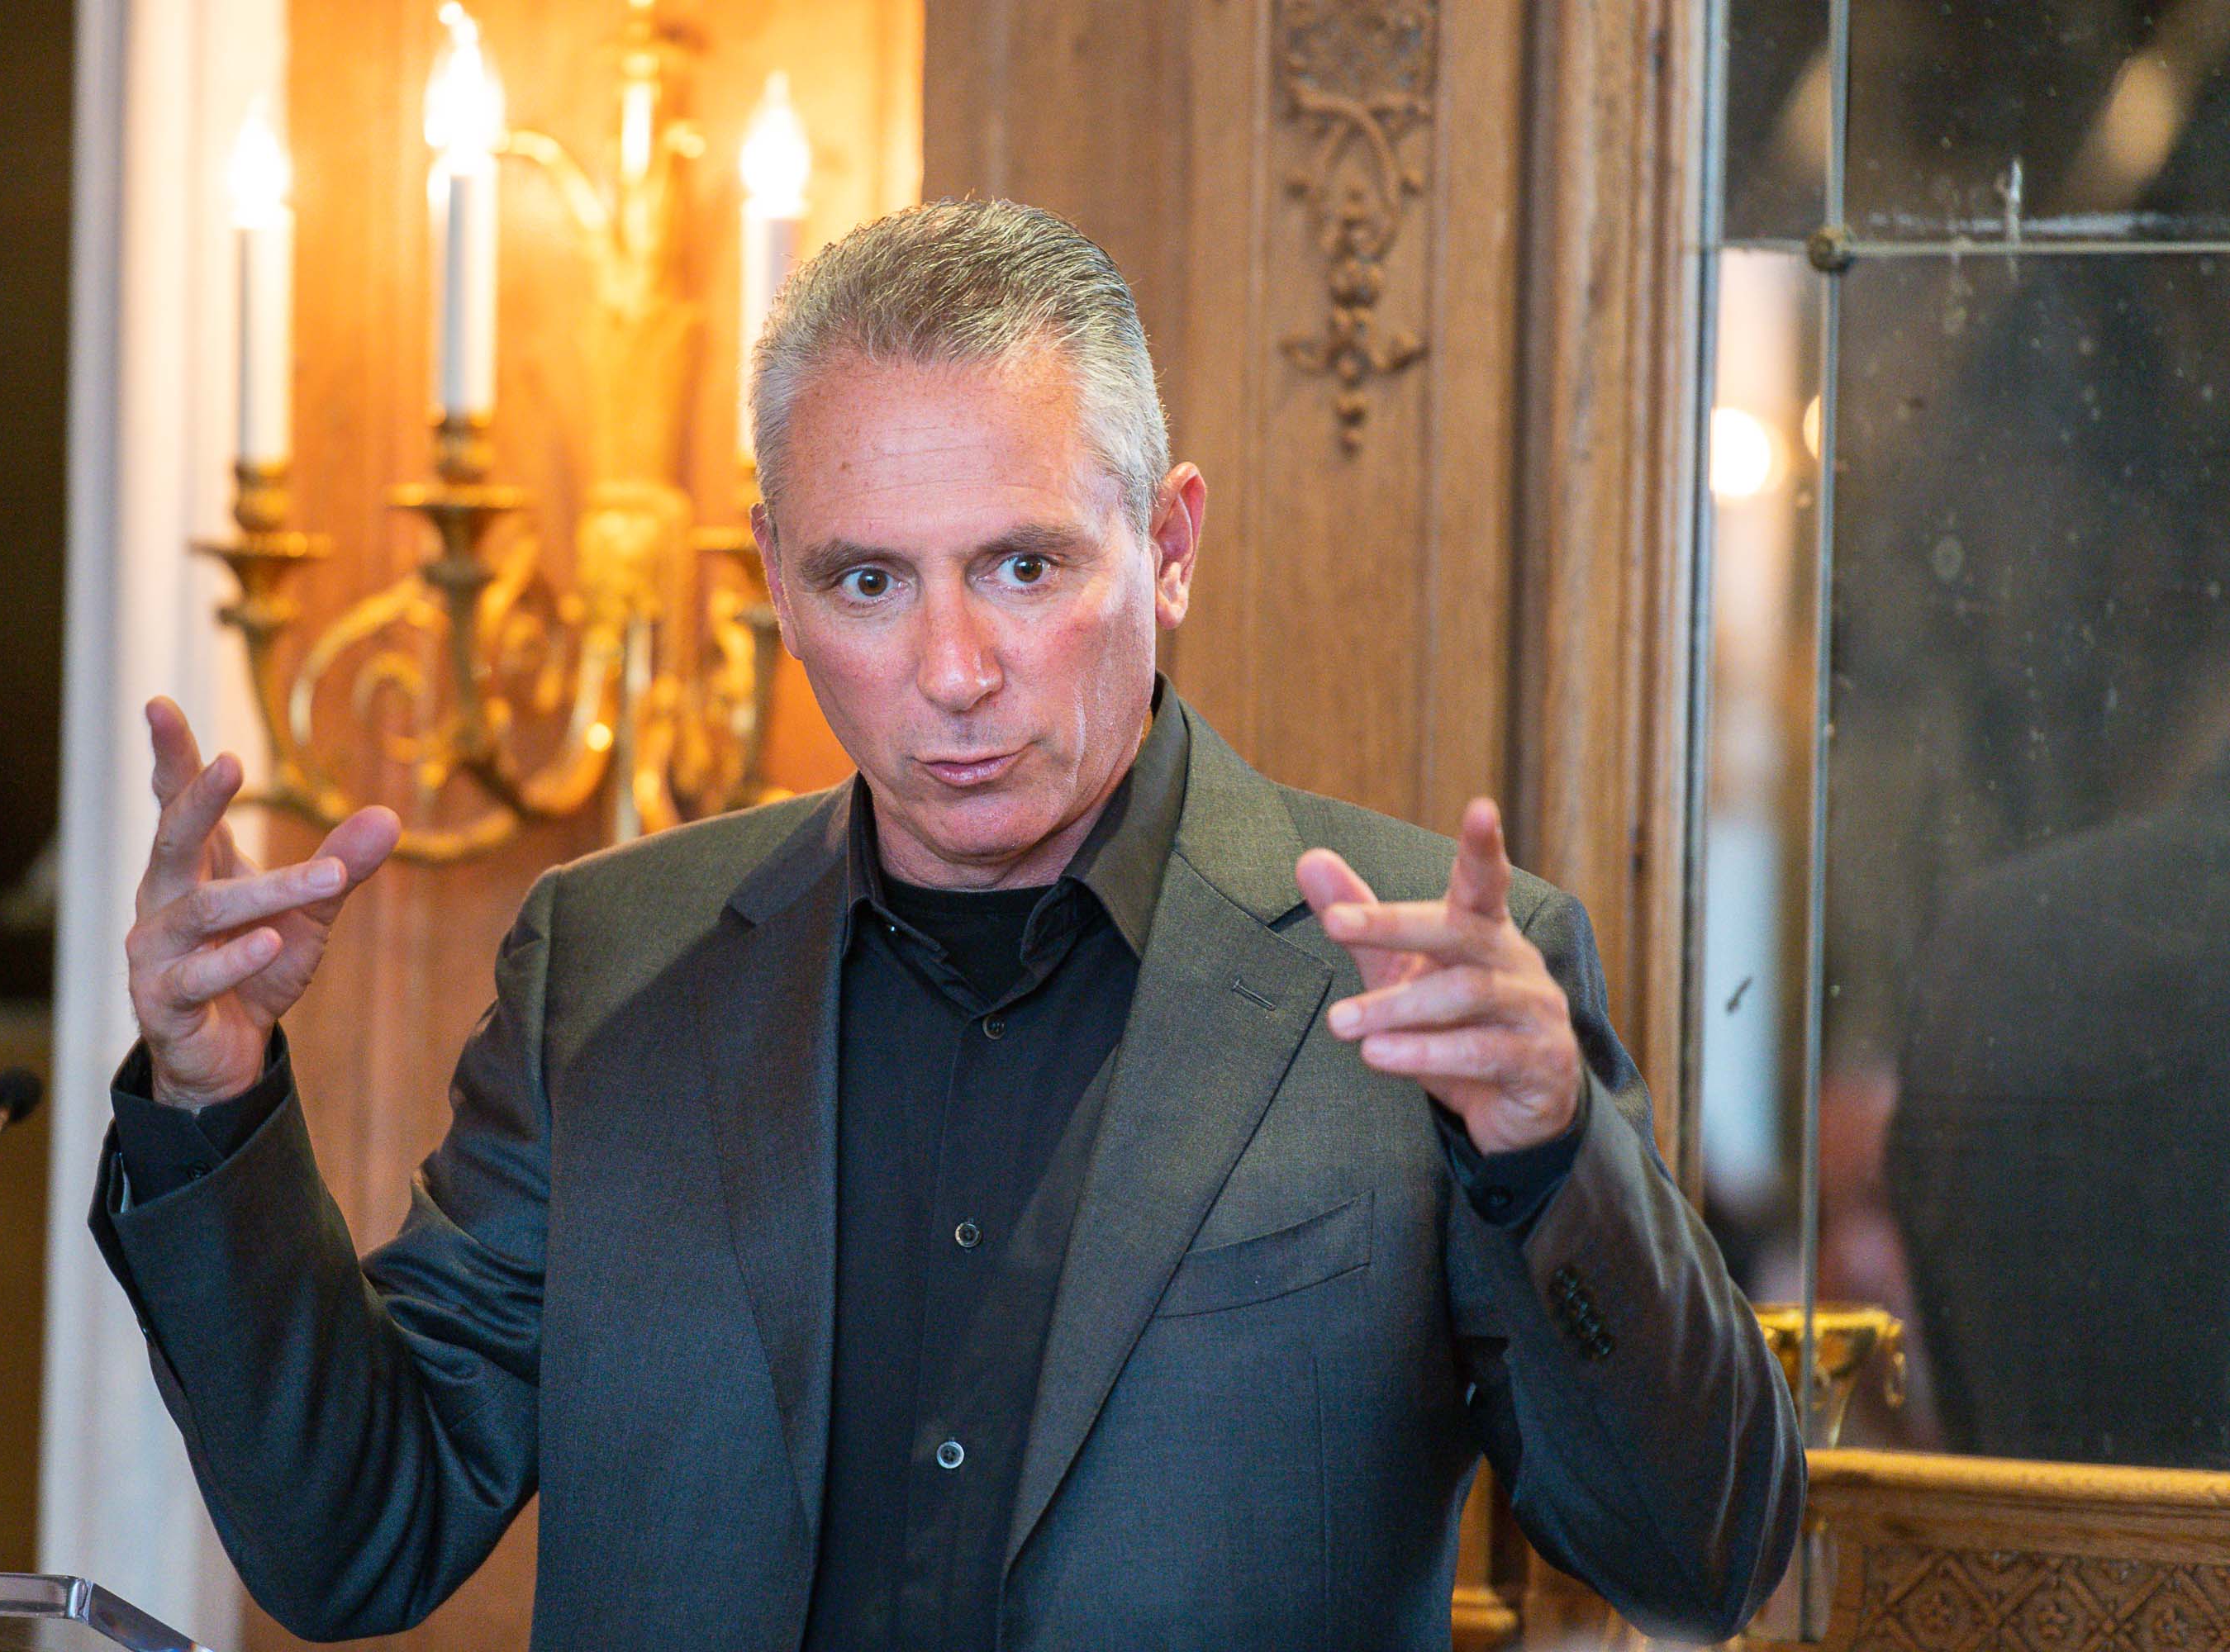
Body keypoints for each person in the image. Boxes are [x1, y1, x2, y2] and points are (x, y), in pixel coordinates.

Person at [93, 199, 1800, 1650]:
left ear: (1169, 545)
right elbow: (356, 1535)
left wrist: (1549, 1159)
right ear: (776, 575)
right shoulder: (606, 967)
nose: (953, 671)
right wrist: (211, 1100)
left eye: (1022, 568)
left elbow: (1701, 1560)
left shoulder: (1424, 975)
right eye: (869, 582)